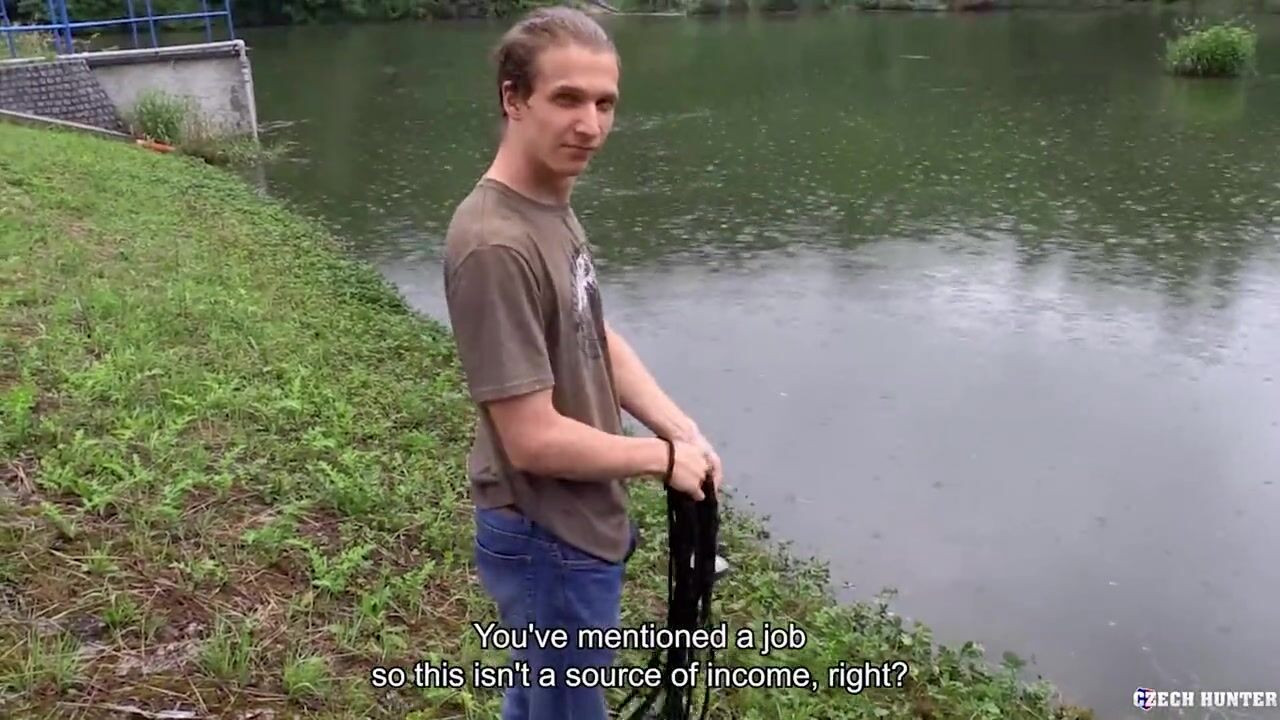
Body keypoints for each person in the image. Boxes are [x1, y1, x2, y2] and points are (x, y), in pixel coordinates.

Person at [440, 7, 724, 720]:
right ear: (513, 98)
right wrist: (661, 460)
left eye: (605, 103)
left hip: (573, 525)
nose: (590, 125)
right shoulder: (495, 244)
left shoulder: (547, 203)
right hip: (548, 534)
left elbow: (591, 330)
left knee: (544, 701)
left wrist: (677, 427)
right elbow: (532, 439)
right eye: (567, 99)